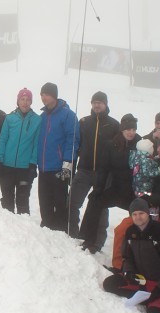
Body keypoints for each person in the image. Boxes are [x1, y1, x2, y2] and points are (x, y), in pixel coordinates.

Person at [101, 198, 160, 313]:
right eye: (134, 214)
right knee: (109, 284)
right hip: (141, 281)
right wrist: (129, 272)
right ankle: (147, 299)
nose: (138, 217)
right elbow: (127, 257)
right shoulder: (130, 232)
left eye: (141, 213)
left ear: (148, 213)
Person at [78, 113, 140, 258]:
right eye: (128, 129)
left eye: (133, 129)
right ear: (122, 130)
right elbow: (103, 169)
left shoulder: (140, 144)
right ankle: (89, 240)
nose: (131, 132)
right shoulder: (112, 144)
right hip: (116, 188)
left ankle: (135, 249)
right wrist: (98, 189)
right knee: (94, 201)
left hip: (133, 192)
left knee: (140, 213)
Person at [68, 91, 119, 238]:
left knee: (101, 208)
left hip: (103, 174)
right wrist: (72, 167)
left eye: (100, 102)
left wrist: (113, 174)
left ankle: (97, 241)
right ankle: (72, 234)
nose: (97, 105)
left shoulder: (114, 125)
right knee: (72, 202)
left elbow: (118, 150)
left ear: (105, 104)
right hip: (84, 170)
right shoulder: (83, 122)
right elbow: (75, 146)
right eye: (94, 102)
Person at [36, 82, 79, 232]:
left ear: (54, 95)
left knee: (60, 201)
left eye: (46, 94)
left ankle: (60, 230)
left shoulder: (68, 115)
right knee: (44, 201)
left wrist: (67, 163)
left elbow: (72, 139)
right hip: (43, 167)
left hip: (59, 167)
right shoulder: (42, 116)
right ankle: (46, 227)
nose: (43, 97)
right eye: (41, 94)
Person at [0, 88, 41, 214]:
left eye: (28, 100)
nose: (25, 102)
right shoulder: (9, 118)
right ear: (18, 101)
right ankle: (7, 230)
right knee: (7, 201)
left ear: (31, 102)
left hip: (25, 169)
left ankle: (23, 230)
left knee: (22, 202)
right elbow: (3, 139)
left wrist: (33, 164)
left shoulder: (37, 120)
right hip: (7, 167)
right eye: (22, 99)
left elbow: (37, 144)